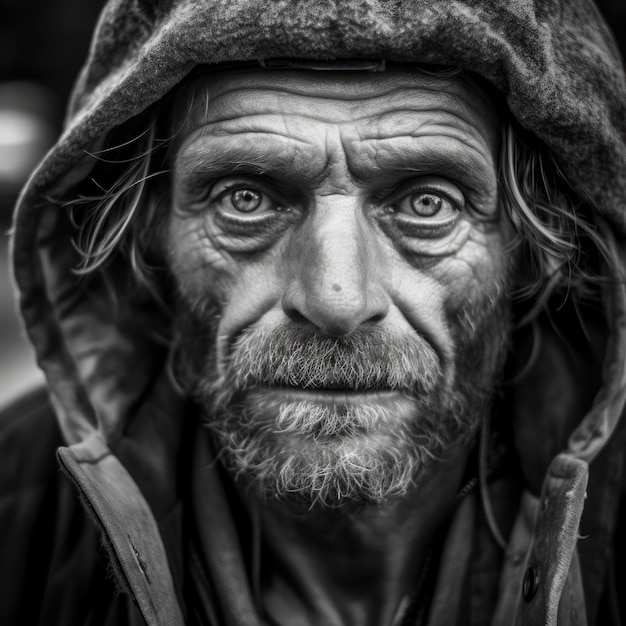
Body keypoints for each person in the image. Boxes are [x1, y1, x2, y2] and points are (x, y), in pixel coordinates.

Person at [2, 0, 626, 624]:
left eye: (428, 203)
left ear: (535, 247)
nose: (336, 300)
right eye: (245, 198)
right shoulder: (16, 512)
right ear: (148, 234)